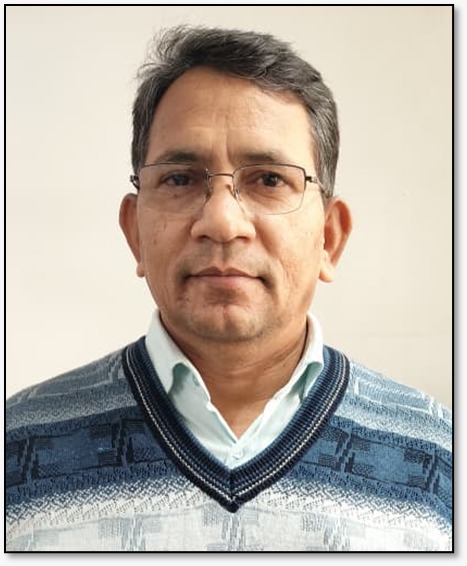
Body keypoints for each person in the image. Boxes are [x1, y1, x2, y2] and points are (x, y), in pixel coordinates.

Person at [6, 25, 452, 552]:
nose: (221, 222)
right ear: (135, 234)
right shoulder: (16, 450)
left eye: (268, 179)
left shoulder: (442, 460)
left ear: (329, 239)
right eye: (180, 178)